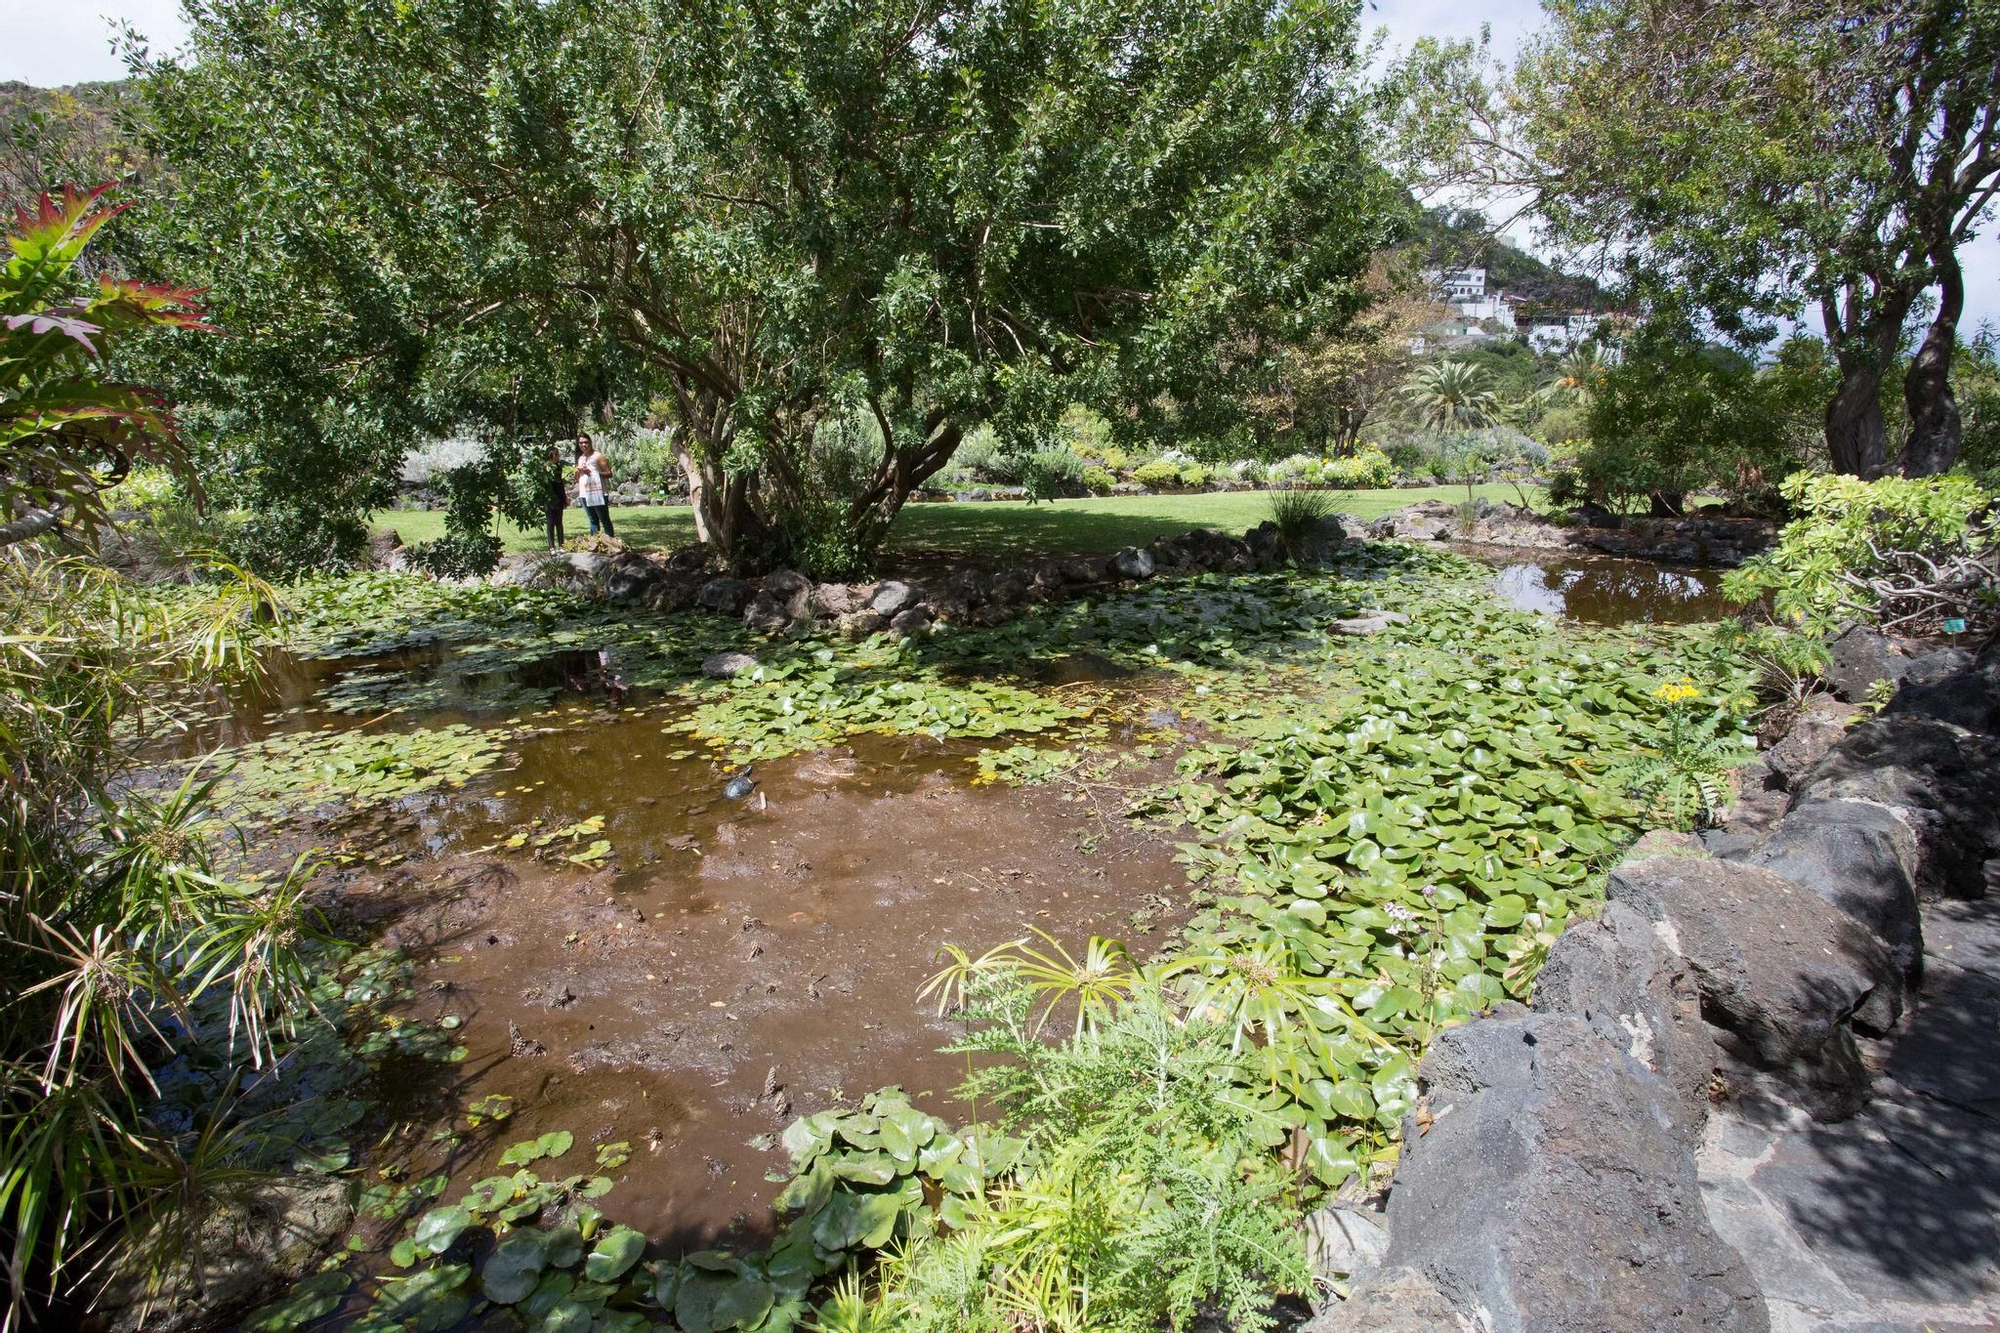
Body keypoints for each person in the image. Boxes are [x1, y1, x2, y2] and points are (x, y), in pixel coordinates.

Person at [575, 433, 615, 537]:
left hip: (598, 492)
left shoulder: (598, 456)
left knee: (604, 519)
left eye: (586, 442)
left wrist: (595, 473)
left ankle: (611, 541)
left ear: (590, 442)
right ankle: (594, 542)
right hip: (584, 493)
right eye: (581, 443)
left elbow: (609, 473)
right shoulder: (581, 458)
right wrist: (577, 470)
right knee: (592, 520)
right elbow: (577, 478)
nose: (584, 445)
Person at [535, 443, 567, 551]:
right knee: (550, 523)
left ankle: (561, 545)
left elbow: (560, 485)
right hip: (549, 499)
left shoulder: (558, 467)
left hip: (559, 499)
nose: (557, 457)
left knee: (559, 523)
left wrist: (564, 498)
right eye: (555, 455)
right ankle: (552, 547)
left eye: (557, 455)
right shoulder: (545, 469)